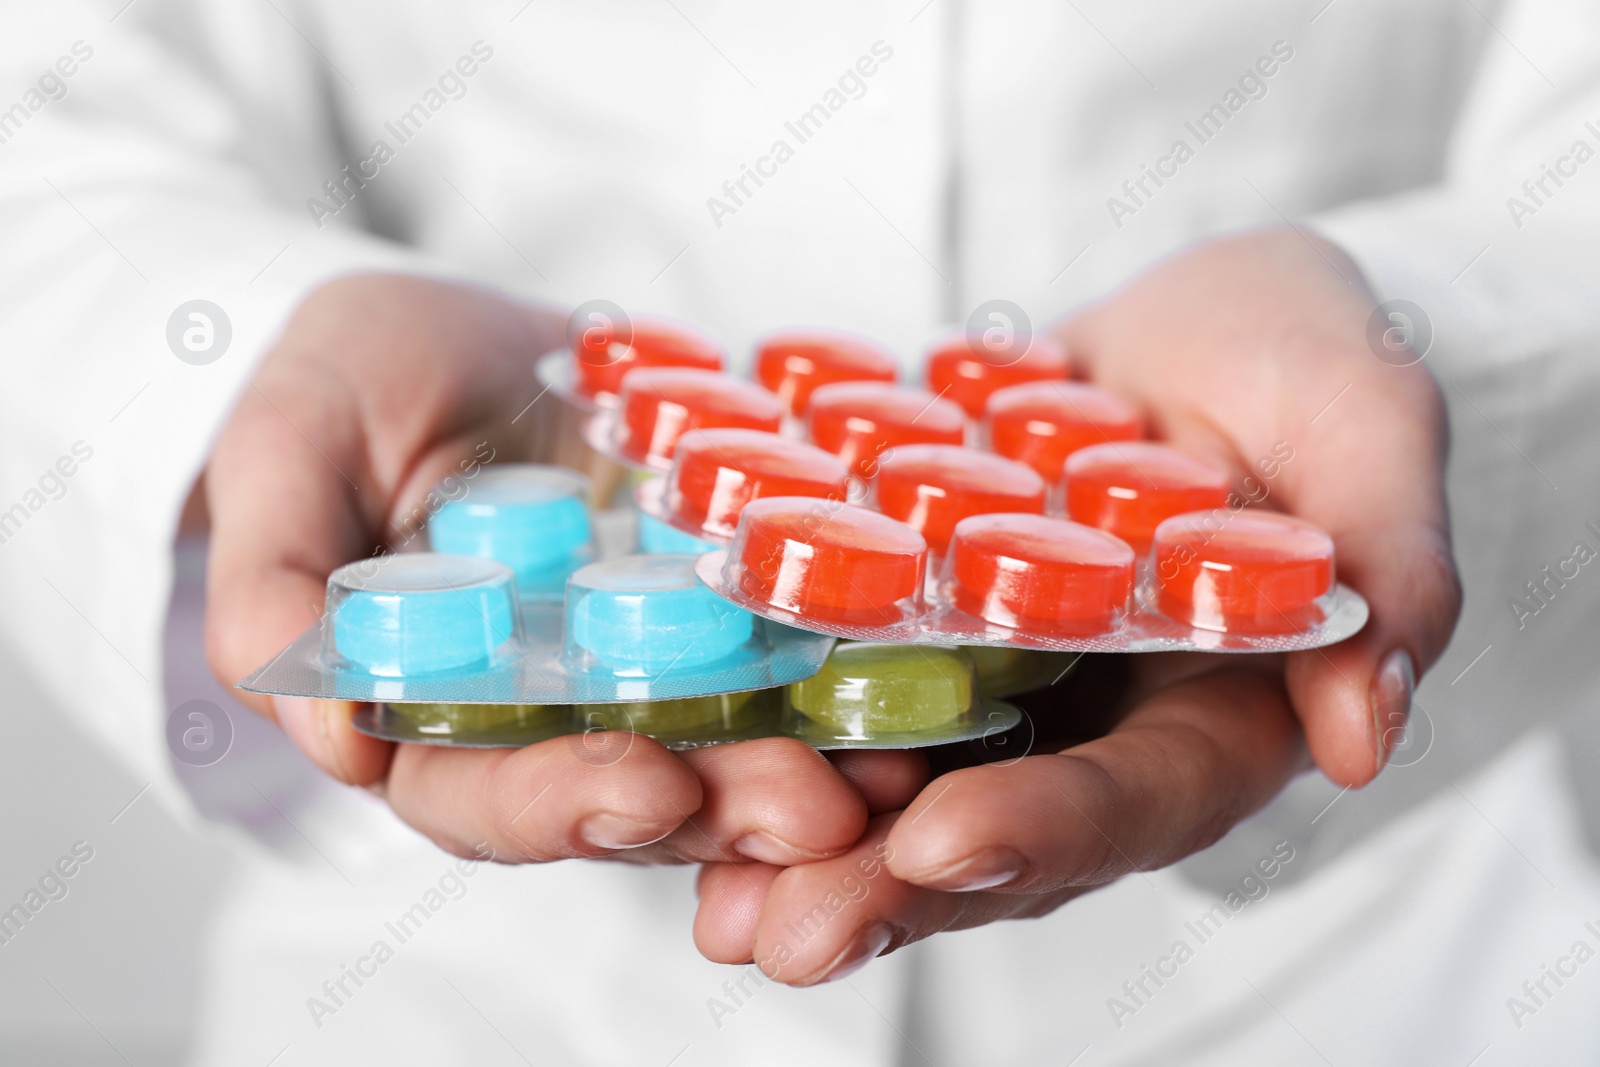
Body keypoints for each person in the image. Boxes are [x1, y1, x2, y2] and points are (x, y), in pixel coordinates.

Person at [4, 1, 1599, 1062]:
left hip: (1373, 982)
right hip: (459, 990)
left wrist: (1424, 356)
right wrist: (239, 344)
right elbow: (50, 108)